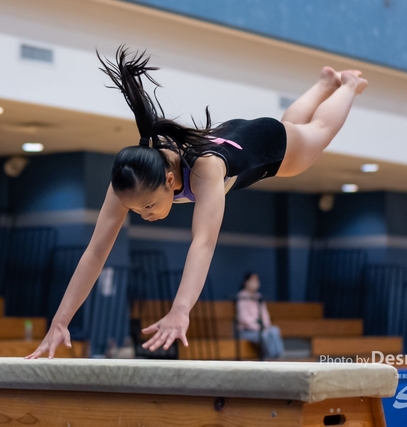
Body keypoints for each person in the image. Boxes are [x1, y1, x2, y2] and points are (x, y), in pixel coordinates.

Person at [26, 46, 367, 359]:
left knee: (317, 133)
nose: (144, 214)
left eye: (148, 206)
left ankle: (348, 85)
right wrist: (60, 321)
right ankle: (325, 83)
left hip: (264, 142)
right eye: (137, 210)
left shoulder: (205, 170)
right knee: (294, 127)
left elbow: (203, 243)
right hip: (233, 134)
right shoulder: (127, 183)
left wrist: (180, 310)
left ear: (169, 180)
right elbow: (96, 252)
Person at [236, 273, 284, 359]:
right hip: (247, 331)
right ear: (246, 282)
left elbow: (264, 314)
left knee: (274, 330)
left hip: (261, 328)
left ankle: (279, 356)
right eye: (252, 281)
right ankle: (269, 357)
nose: (255, 283)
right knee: (264, 334)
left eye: (256, 281)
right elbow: (244, 318)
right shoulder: (242, 297)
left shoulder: (259, 296)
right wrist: (258, 327)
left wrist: (265, 325)